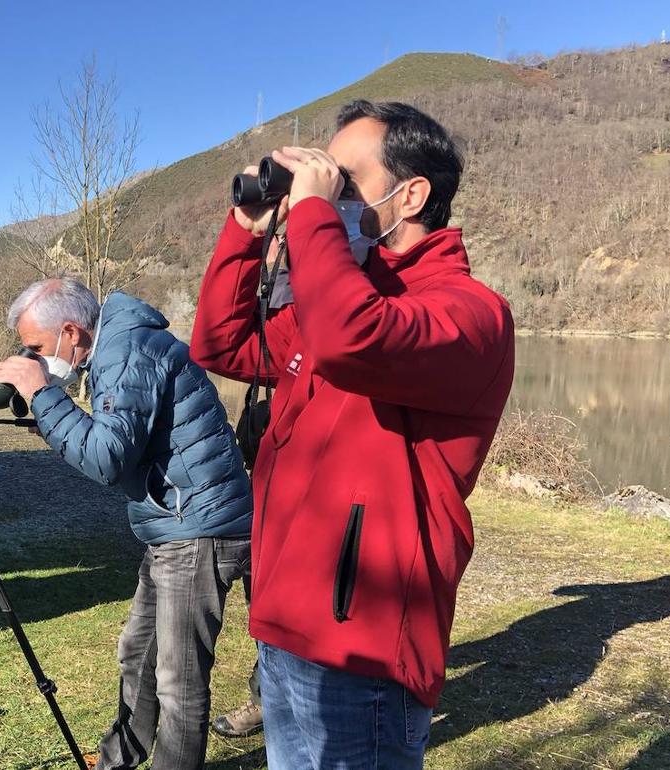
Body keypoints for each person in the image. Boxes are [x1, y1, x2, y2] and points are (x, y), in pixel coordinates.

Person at [190, 100, 515, 769]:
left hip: (361, 645)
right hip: (286, 624)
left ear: (412, 194)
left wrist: (312, 216)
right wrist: (247, 233)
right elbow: (222, 346)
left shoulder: (469, 315)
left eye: (343, 178)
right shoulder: (337, 301)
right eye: (322, 178)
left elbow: (350, 340)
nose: (325, 189)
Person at [0, 277, 253, 770]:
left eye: (37, 348)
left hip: (197, 528)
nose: (33, 358)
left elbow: (107, 458)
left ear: (71, 332)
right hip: (172, 523)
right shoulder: (118, 343)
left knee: (179, 681)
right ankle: (120, 759)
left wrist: (42, 394)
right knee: (138, 651)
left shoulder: (127, 351)